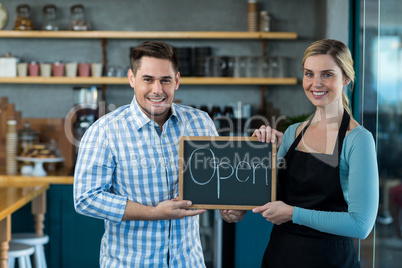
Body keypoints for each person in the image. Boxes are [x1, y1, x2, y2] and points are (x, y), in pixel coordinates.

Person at [74, 41, 219, 267]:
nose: (157, 90)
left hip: (187, 261)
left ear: (177, 81)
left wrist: (231, 208)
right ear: (132, 79)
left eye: (165, 80)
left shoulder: (200, 123)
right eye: (148, 79)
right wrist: (153, 213)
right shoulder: (105, 131)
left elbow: (216, 181)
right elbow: (86, 198)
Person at [250, 39, 379, 267]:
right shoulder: (292, 133)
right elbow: (264, 196)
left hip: (330, 260)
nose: (316, 83)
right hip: (280, 257)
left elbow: (360, 225)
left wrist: (293, 214)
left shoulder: (358, 139)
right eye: (309, 74)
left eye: (327, 74)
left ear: (346, 79)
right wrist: (260, 154)